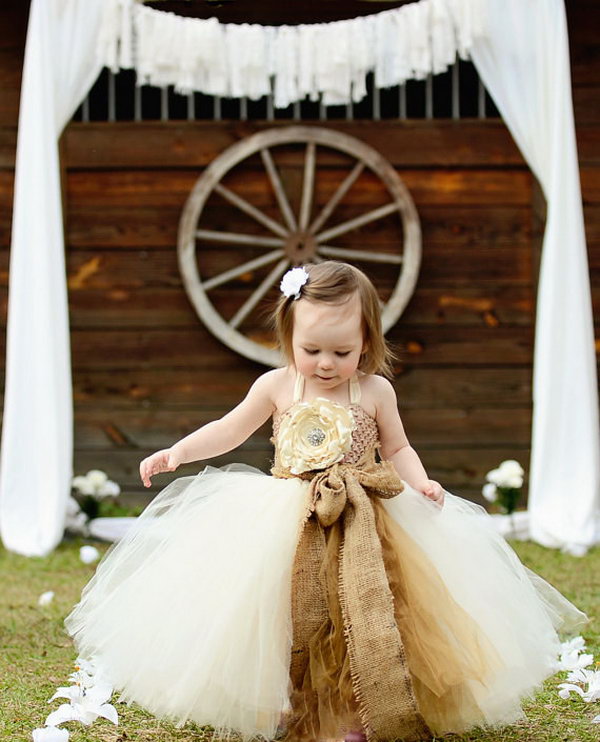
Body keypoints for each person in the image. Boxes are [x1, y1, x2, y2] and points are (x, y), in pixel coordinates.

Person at [64, 261, 587, 742]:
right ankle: (285, 703)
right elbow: (229, 429)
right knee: (286, 611)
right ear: (290, 336)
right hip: (287, 517)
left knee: (369, 610)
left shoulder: (376, 392)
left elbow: (399, 447)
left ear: (367, 342)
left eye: (343, 351)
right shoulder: (276, 386)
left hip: (365, 516)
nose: (327, 363)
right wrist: (178, 452)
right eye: (312, 350)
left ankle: (358, 709)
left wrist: (421, 483)